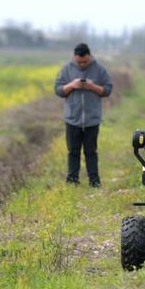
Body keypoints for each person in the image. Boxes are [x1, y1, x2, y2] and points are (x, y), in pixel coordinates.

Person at [54, 43, 113, 187]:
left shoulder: (99, 70)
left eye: (85, 62)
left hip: (92, 120)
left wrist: (92, 86)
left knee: (91, 152)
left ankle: (94, 181)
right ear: (74, 57)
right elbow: (58, 90)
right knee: (73, 152)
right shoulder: (66, 69)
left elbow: (107, 90)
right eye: (79, 62)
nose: (82, 64)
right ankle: (72, 180)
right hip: (72, 119)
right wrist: (71, 85)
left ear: (90, 56)